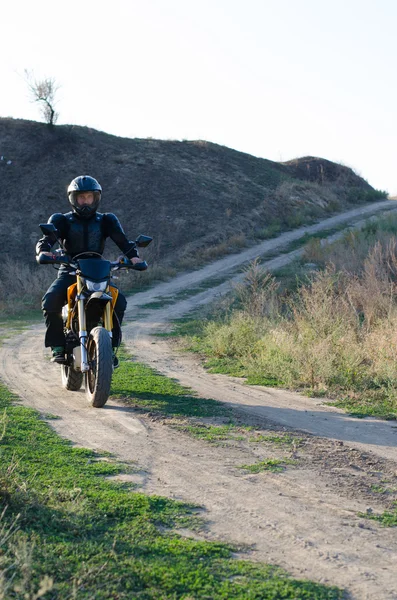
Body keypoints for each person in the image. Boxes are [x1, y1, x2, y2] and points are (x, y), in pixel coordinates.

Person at [36, 175, 144, 366]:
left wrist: (134, 258)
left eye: (89, 197)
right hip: (70, 269)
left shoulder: (106, 220)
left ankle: (109, 347)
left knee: (119, 301)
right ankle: (58, 346)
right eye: (81, 198)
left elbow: (123, 242)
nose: (85, 202)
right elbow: (47, 241)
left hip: (97, 270)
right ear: (73, 199)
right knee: (50, 300)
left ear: (96, 198)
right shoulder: (61, 220)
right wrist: (44, 252)